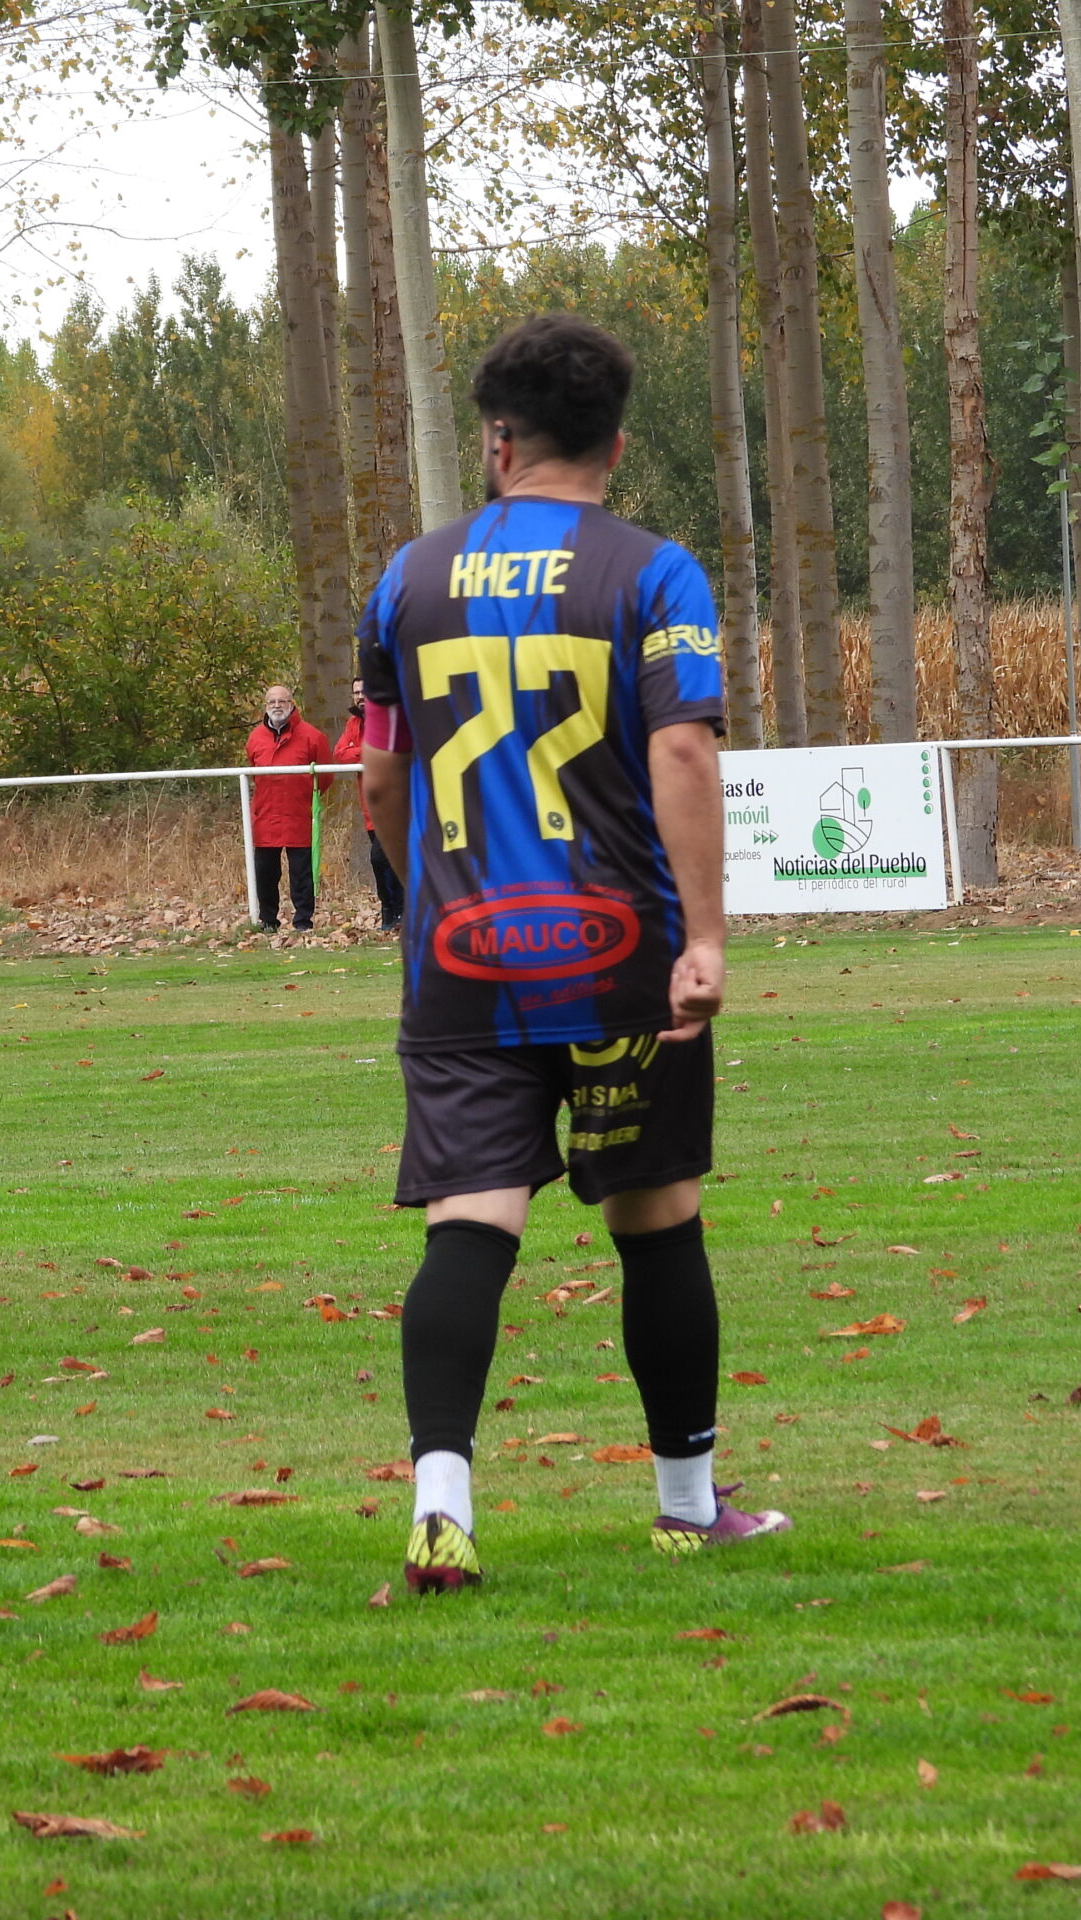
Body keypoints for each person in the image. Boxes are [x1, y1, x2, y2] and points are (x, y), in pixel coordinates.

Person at [355, 313, 788, 1596]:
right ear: (613, 442)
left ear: (497, 442)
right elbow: (682, 753)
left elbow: (379, 774)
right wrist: (704, 937)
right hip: (618, 961)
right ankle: (686, 1506)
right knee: (656, 1226)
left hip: (462, 953)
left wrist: (409, 899)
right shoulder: (655, 573)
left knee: (468, 1222)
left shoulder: (406, 578)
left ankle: (442, 1501)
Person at [246, 682, 333, 931]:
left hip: (298, 814)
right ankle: (268, 921)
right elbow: (254, 773)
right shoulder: (255, 738)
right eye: (272, 701)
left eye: (282, 701)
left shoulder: (312, 736)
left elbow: (325, 777)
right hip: (265, 816)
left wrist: (304, 797)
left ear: (292, 704)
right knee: (265, 873)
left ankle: (303, 921)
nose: (277, 706)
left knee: (301, 874)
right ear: (265, 706)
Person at [333, 677, 405, 931]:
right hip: (370, 808)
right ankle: (395, 913)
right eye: (356, 692)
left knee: (379, 859)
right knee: (389, 861)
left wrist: (362, 749)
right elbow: (341, 754)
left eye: (365, 691)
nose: (360, 696)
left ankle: (392, 910)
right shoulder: (354, 723)